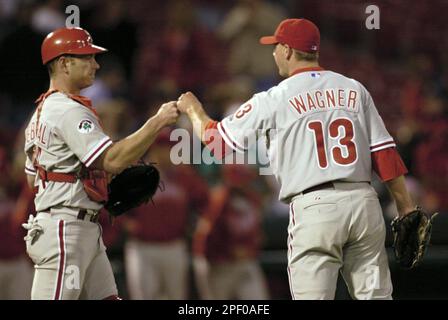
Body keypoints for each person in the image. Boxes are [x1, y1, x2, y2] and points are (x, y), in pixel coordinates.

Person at [177, 18, 417, 300]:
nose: (273, 52)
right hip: (363, 202)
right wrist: (406, 208)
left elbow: (216, 142)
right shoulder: (354, 89)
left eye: (276, 46)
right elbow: (384, 153)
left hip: (315, 207)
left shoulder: (275, 97)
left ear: (289, 50)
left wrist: (193, 109)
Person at [22, 27, 179, 300]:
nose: (95, 64)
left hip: (79, 226)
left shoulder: (42, 111)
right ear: (64, 63)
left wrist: (84, 181)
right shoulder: (67, 110)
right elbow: (113, 160)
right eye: (87, 57)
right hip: (65, 230)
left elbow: (31, 179)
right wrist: (158, 121)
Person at [123, 129, 209, 299]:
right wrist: (126, 223)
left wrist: (199, 224)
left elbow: (204, 201)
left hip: (174, 246)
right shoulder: (136, 174)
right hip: (143, 247)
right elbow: (114, 204)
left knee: (177, 296)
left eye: (171, 148)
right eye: (163, 148)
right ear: (153, 149)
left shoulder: (185, 176)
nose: (167, 153)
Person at [192, 163, 270, 300]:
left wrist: (251, 248)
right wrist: (227, 251)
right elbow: (205, 238)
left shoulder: (252, 199)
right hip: (219, 265)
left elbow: (258, 233)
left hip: (245, 263)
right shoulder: (218, 200)